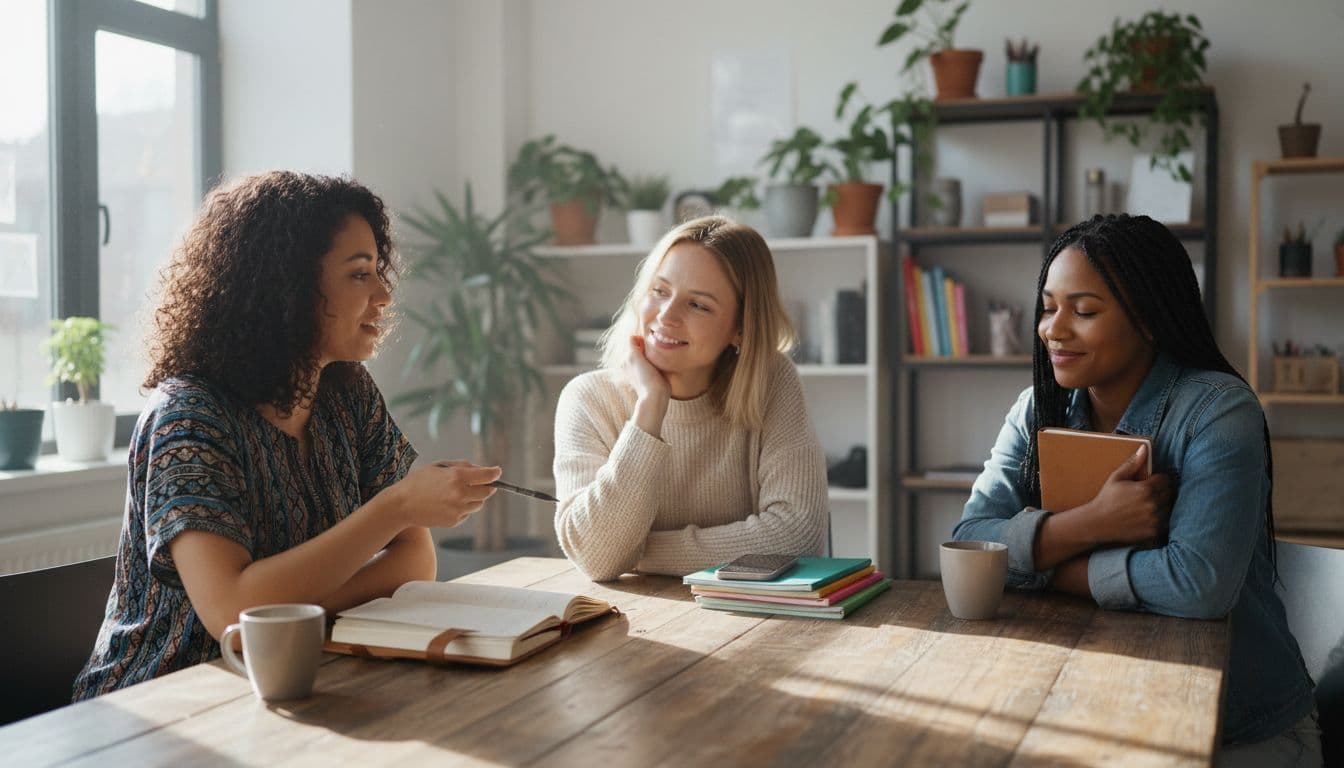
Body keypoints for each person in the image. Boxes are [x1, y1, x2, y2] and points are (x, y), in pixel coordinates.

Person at [72, 171, 501, 699]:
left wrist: (277, 604)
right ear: (289, 286)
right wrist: (394, 509)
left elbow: (415, 565)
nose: (384, 295)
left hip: (297, 680)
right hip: (159, 705)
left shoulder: (347, 393)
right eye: (359, 274)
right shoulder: (188, 417)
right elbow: (231, 612)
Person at [953, 214, 1320, 765]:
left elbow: (1198, 585)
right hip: (1095, 713)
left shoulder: (1218, 411)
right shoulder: (1036, 410)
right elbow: (968, 546)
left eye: (1084, 311)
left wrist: (1048, 567)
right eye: (1048, 307)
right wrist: (1091, 524)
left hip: (1240, 730)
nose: (1054, 329)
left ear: (1149, 318)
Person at [553, 216, 829, 581]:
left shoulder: (771, 382)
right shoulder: (588, 399)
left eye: (698, 305)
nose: (666, 316)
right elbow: (596, 559)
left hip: (751, 617)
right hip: (634, 622)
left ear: (740, 328)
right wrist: (650, 406)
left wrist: (637, 553)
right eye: (659, 291)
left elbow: (796, 535)